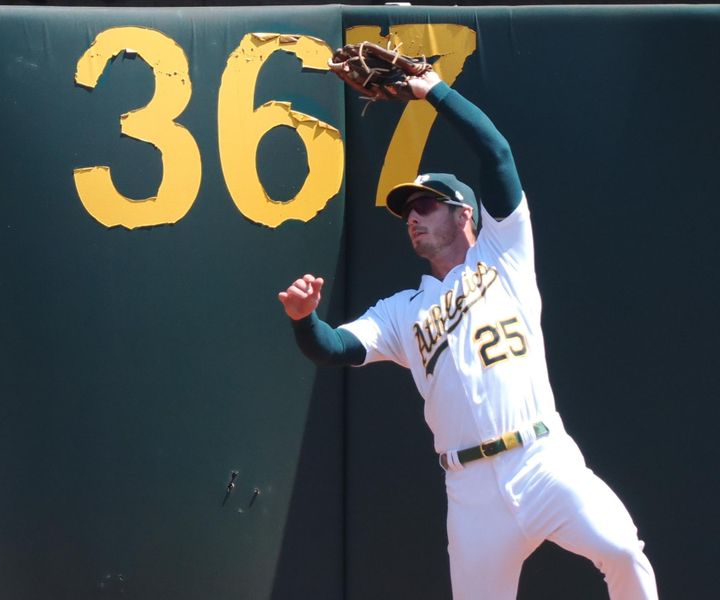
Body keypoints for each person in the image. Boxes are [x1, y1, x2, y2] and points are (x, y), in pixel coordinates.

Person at [277, 70, 658, 599]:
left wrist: (431, 88)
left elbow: (496, 152)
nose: (413, 217)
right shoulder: (401, 312)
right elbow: (333, 348)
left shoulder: (504, 254)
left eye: (426, 205)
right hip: (469, 490)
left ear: (464, 214)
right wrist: (304, 319)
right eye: (407, 211)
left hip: (542, 461)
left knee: (621, 550)